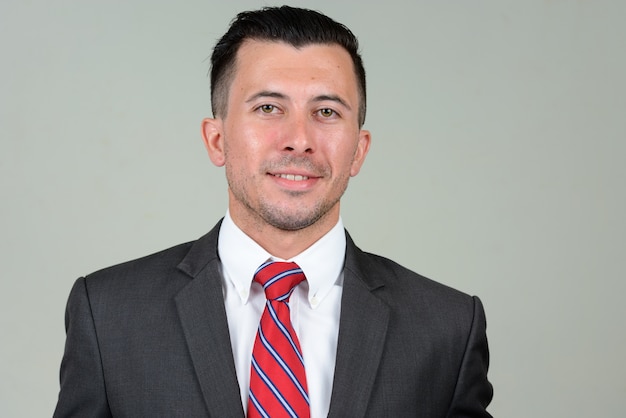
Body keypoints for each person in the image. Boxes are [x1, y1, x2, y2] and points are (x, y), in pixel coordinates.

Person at [53, 5, 493, 417]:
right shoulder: (108, 314)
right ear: (216, 140)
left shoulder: (447, 329)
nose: (298, 139)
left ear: (358, 151)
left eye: (326, 111)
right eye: (268, 108)